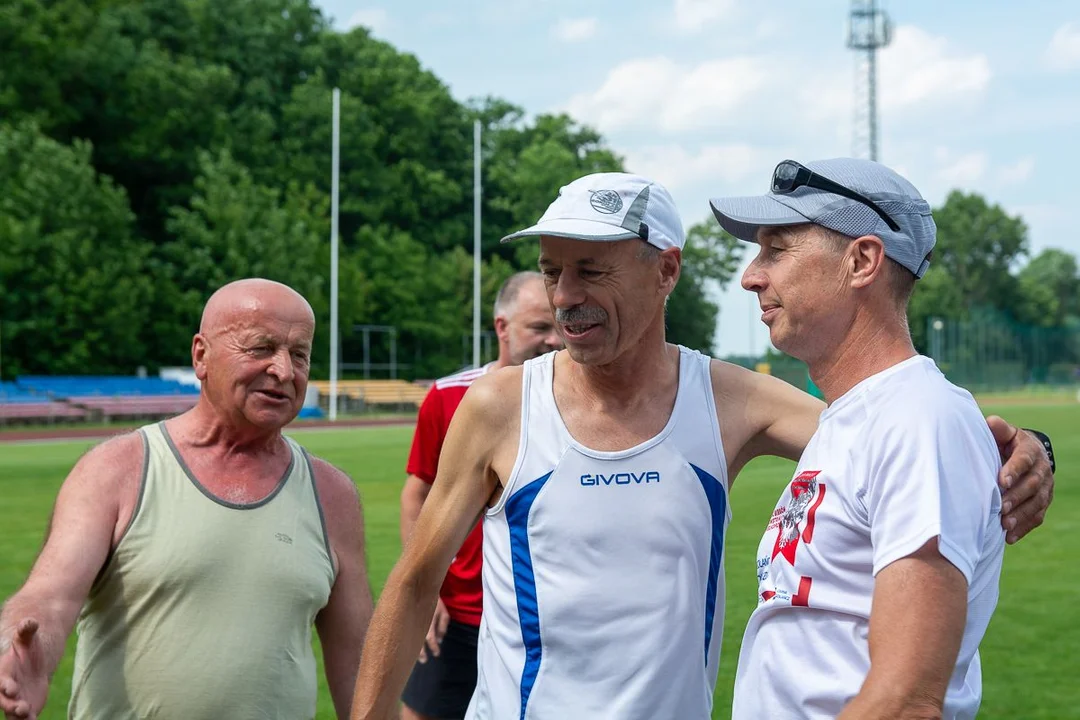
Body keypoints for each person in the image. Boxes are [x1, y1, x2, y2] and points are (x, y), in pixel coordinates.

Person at [348, 172, 1054, 720]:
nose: (564, 295)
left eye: (591, 271)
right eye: (553, 269)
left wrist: (1026, 447)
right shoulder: (501, 408)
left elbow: (890, 431)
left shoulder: (728, 399)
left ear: (666, 273)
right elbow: (413, 583)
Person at [710, 158, 1027, 719]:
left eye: (776, 251)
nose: (751, 276)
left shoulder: (917, 418)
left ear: (861, 261)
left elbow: (907, 701)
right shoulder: (856, 417)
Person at [0, 278, 374, 720]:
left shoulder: (332, 495)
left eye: (299, 355)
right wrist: (23, 646)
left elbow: (361, 665)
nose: (284, 371)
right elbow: (50, 596)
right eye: (260, 348)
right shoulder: (118, 470)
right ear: (201, 355)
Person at [399, 271, 561, 720]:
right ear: (502, 328)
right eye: (539, 328)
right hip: (459, 613)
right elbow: (418, 493)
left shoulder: (581, 401)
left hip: (541, 621)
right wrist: (426, 589)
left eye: (559, 326)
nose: (552, 340)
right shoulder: (450, 396)